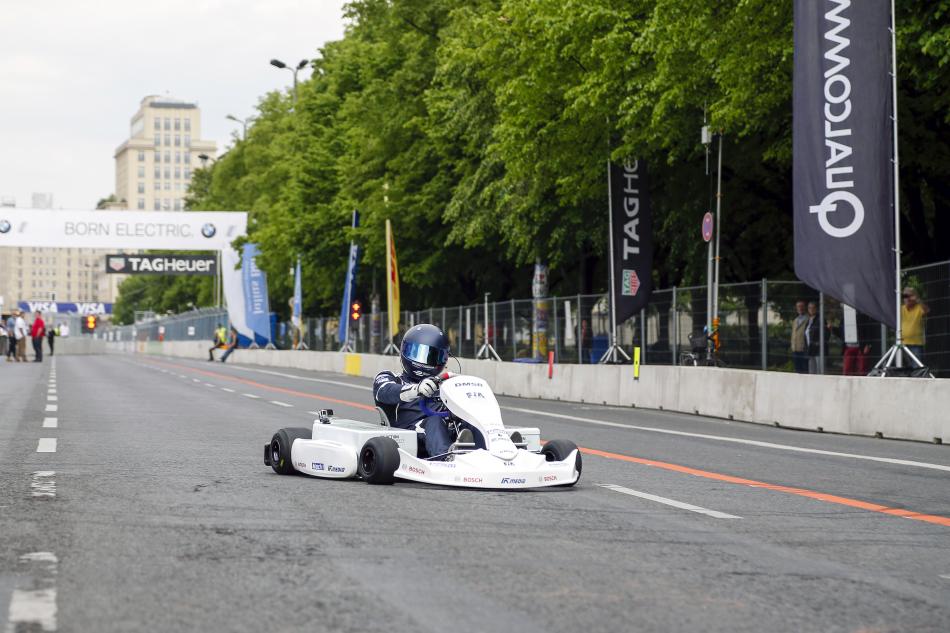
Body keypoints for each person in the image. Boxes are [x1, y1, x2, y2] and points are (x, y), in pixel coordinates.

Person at [373, 324, 477, 460]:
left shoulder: (445, 386)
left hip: (444, 433)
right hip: (407, 436)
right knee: (433, 421)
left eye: (430, 356)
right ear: (404, 350)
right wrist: (416, 390)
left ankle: (491, 453)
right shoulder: (390, 378)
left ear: (443, 359)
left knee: (470, 421)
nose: (422, 361)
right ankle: (447, 460)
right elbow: (385, 392)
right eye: (416, 353)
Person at [900, 286, 929, 362]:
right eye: (905, 296)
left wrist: (918, 300)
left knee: (917, 367)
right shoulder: (901, 309)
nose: (907, 299)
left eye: (910, 296)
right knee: (905, 368)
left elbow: (927, 310)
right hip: (902, 344)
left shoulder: (919, 307)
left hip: (916, 344)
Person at [789, 300, 809, 374]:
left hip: (803, 348)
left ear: (805, 307)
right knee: (797, 369)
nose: (800, 308)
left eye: (801, 306)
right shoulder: (795, 320)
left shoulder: (808, 319)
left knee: (804, 369)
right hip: (795, 348)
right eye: (798, 306)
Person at [804, 301, 822, 374]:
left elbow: (825, 334)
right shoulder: (808, 320)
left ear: (816, 309)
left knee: (819, 371)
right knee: (811, 371)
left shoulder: (820, 319)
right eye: (809, 308)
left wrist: (819, 343)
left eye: (813, 308)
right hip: (810, 349)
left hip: (818, 349)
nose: (811, 309)